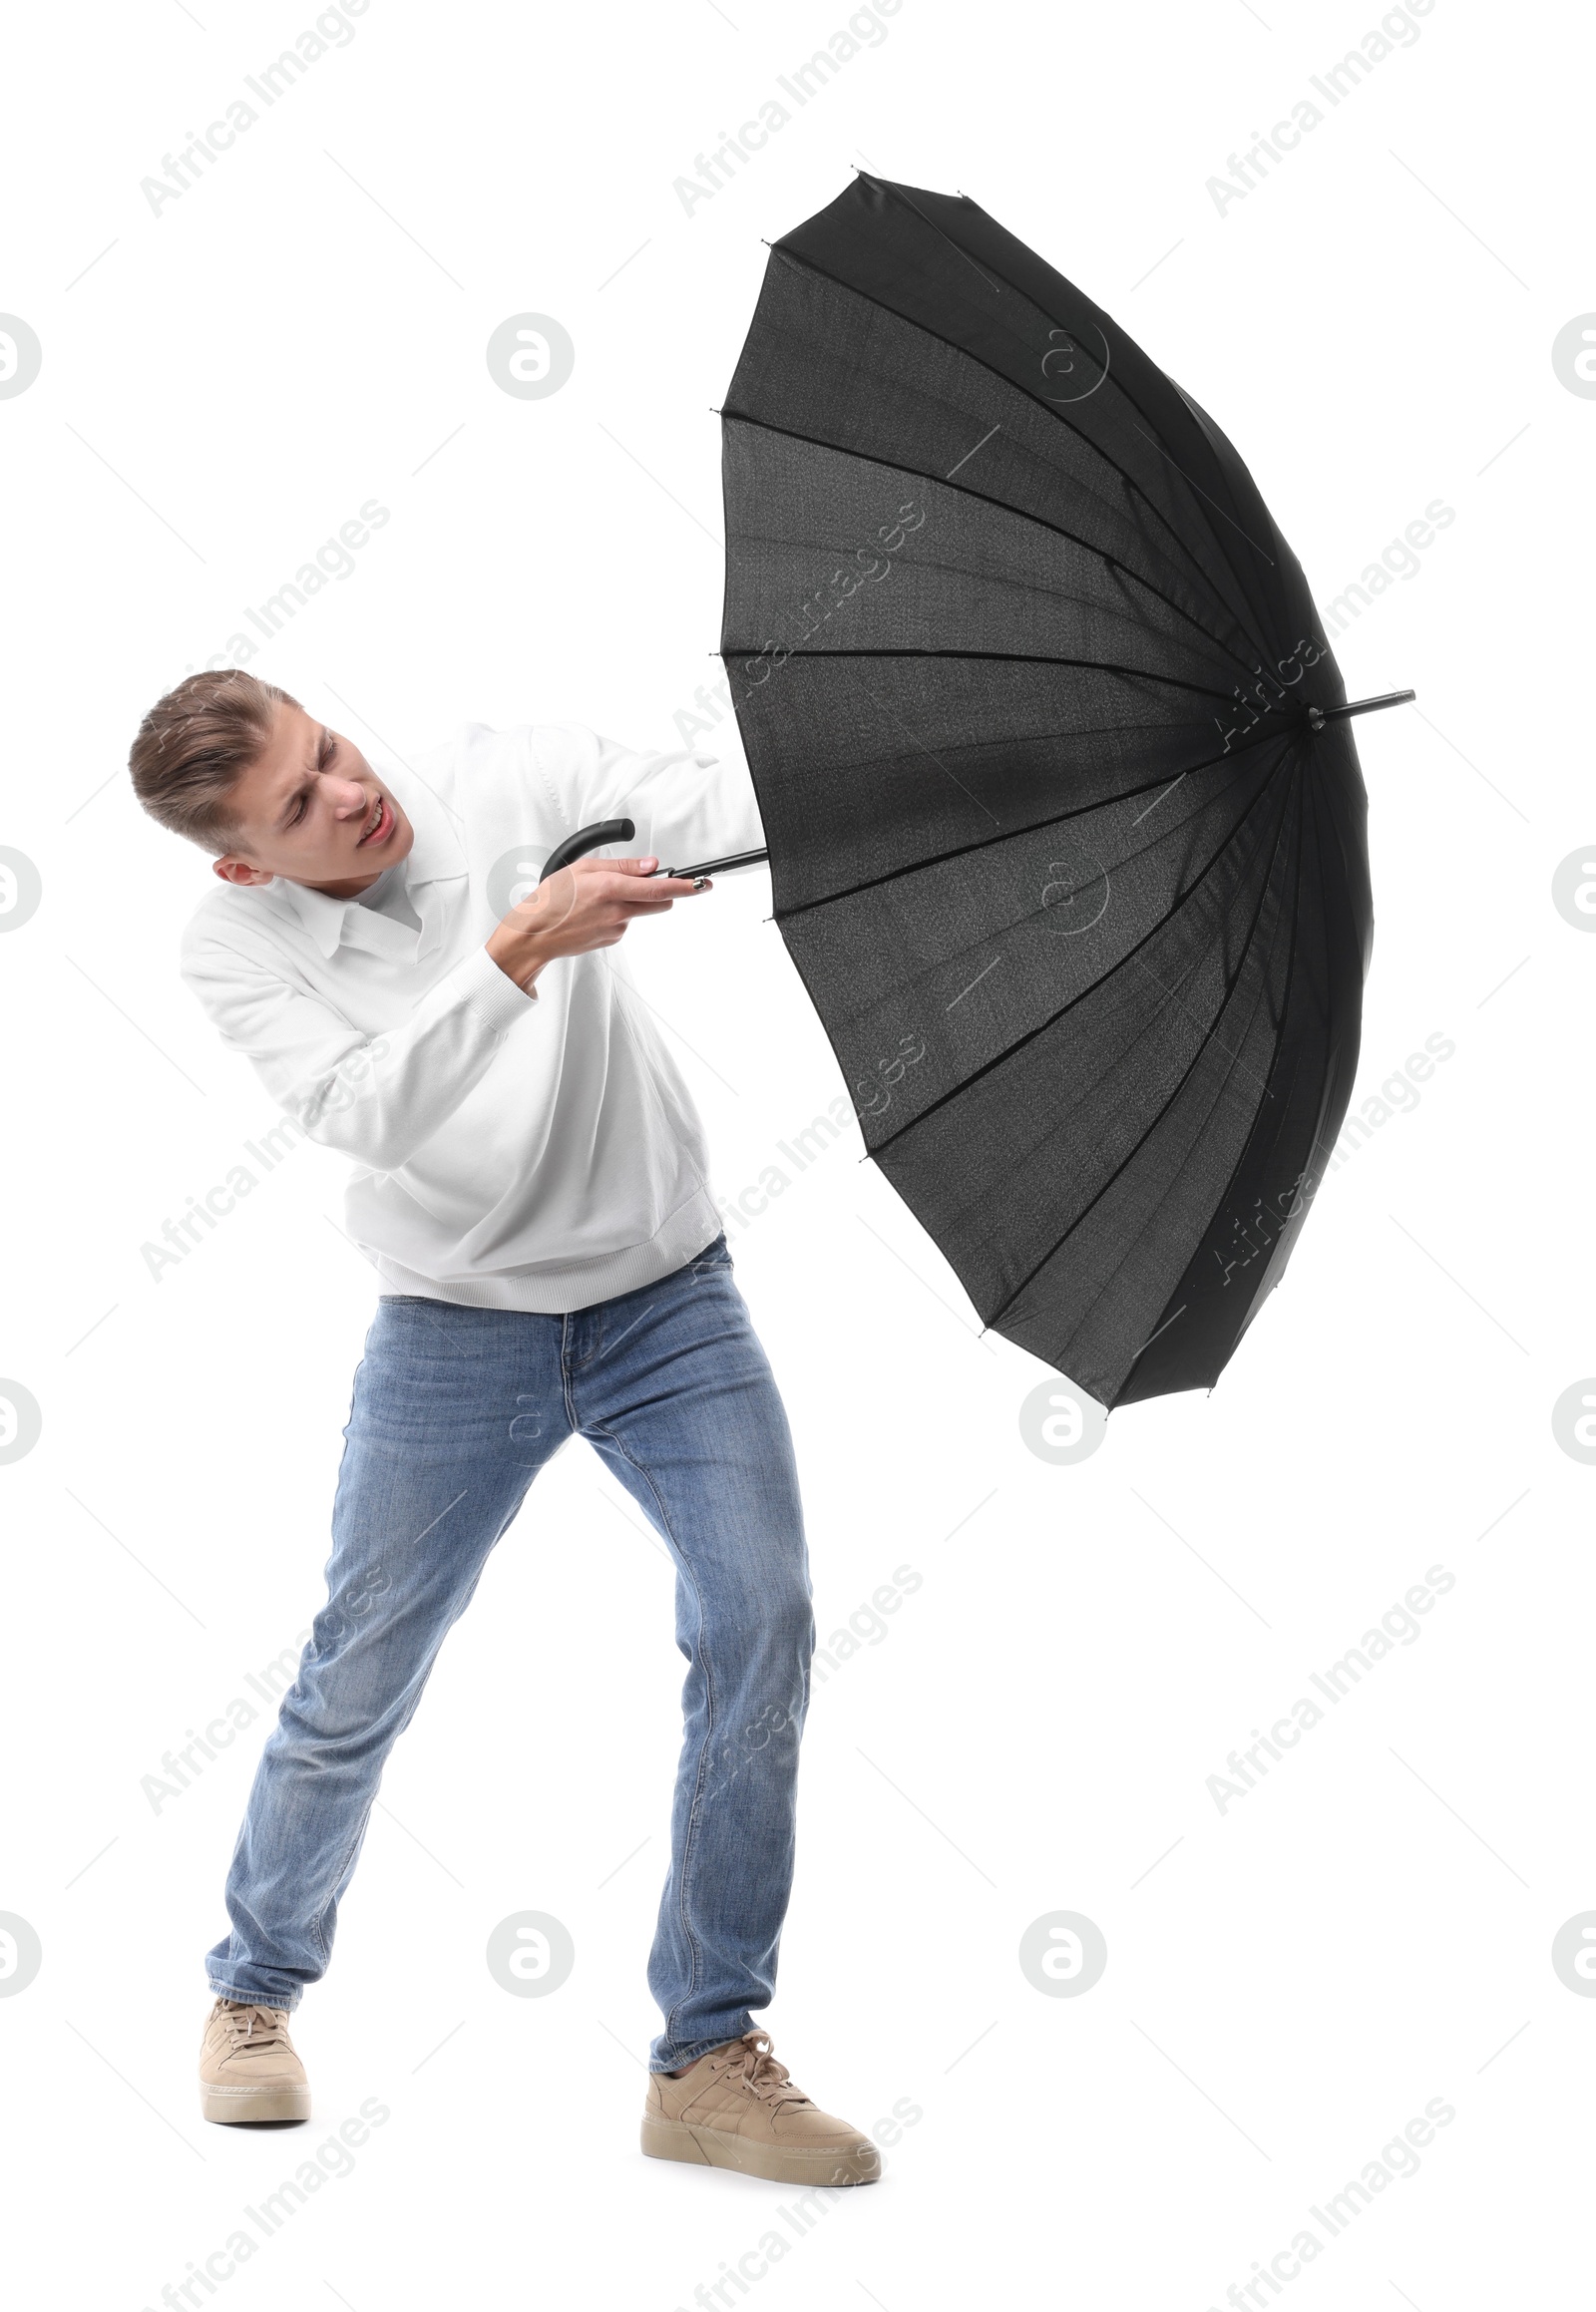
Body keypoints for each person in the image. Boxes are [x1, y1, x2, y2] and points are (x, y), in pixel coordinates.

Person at [126, 669, 879, 2189]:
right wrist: (521, 943)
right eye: (296, 807)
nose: (347, 791)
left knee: (764, 1618)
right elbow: (361, 1111)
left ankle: (708, 2052)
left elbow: (725, 798)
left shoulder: (508, 776)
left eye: (326, 750)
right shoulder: (232, 948)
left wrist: (932, 759)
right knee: (363, 1664)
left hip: (669, 1298)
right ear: (243, 862)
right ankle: (254, 1991)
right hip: (453, 1330)